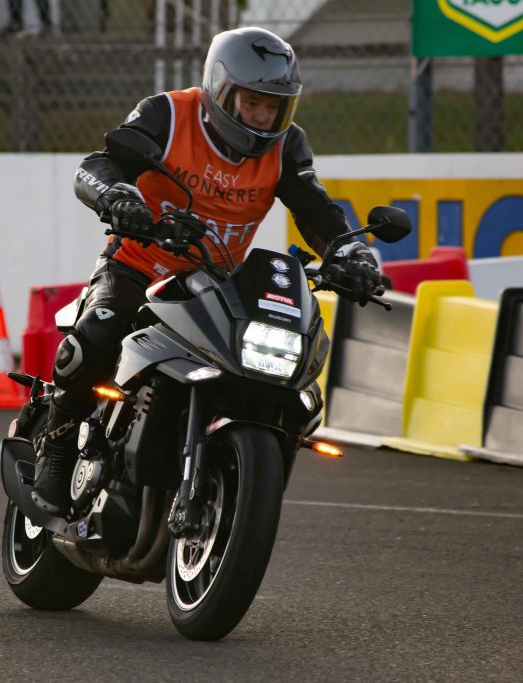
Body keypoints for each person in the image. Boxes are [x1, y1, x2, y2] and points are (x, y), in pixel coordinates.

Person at [31, 27, 384, 515]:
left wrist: (351, 254)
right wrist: (117, 196)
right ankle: (57, 441)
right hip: (138, 265)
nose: (263, 117)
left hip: (218, 283)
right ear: (221, 89)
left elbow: (315, 208)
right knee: (99, 332)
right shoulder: (167, 113)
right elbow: (101, 163)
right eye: (253, 102)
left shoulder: (288, 146)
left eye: (274, 106)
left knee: (274, 369)